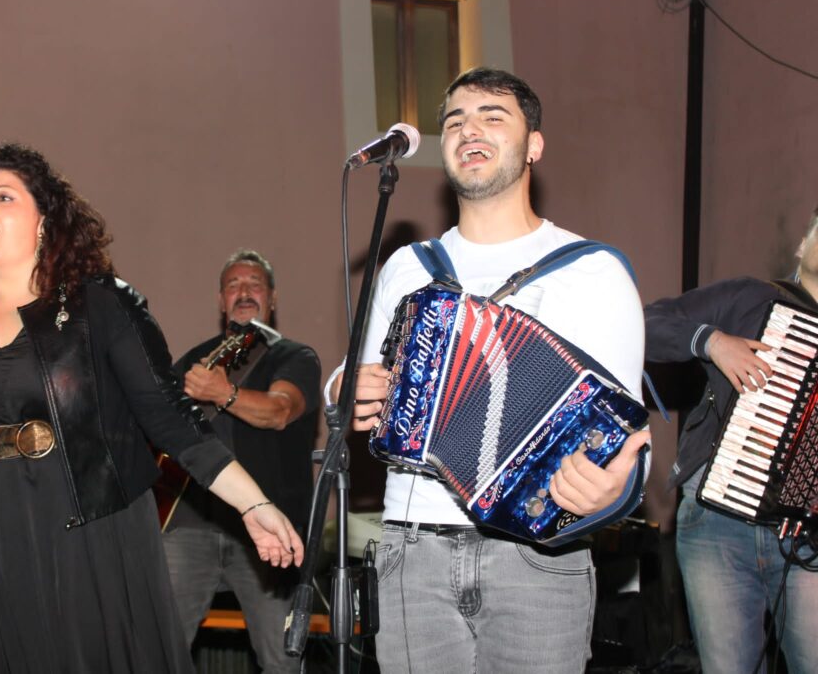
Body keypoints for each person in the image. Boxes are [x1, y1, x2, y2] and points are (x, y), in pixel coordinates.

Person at [0, 144, 304, 673]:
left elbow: (171, 417)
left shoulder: (99, 303)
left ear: (45, 222)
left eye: (3, 197)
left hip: (83, 525)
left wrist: (253, 504)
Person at [327, 67, 650, 673]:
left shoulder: (592, 271)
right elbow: (352, 379)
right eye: (455, 121)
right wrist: (344, 388)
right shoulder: (408, 266)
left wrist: (614, 488)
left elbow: (626, 435)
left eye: (492, 117)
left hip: (535, 553)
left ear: (534, 146)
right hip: (411, 548)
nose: (469, 130)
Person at [643, 209, 818, 673]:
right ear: (802, 246)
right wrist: (712, 341)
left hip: (806, 539)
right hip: (716, 526)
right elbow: (646, 323)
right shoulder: (751, 297)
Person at [162, 249, 320, 673]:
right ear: (221, 300)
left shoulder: (294, 356)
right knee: (158, 652)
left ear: (273, 298)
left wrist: (223, 394)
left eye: (255, 284)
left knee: (282, 660)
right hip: (189, 526)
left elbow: (280, 411)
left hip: (267, 532)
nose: (244, 292)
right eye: (233, 285)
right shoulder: (195, 362)